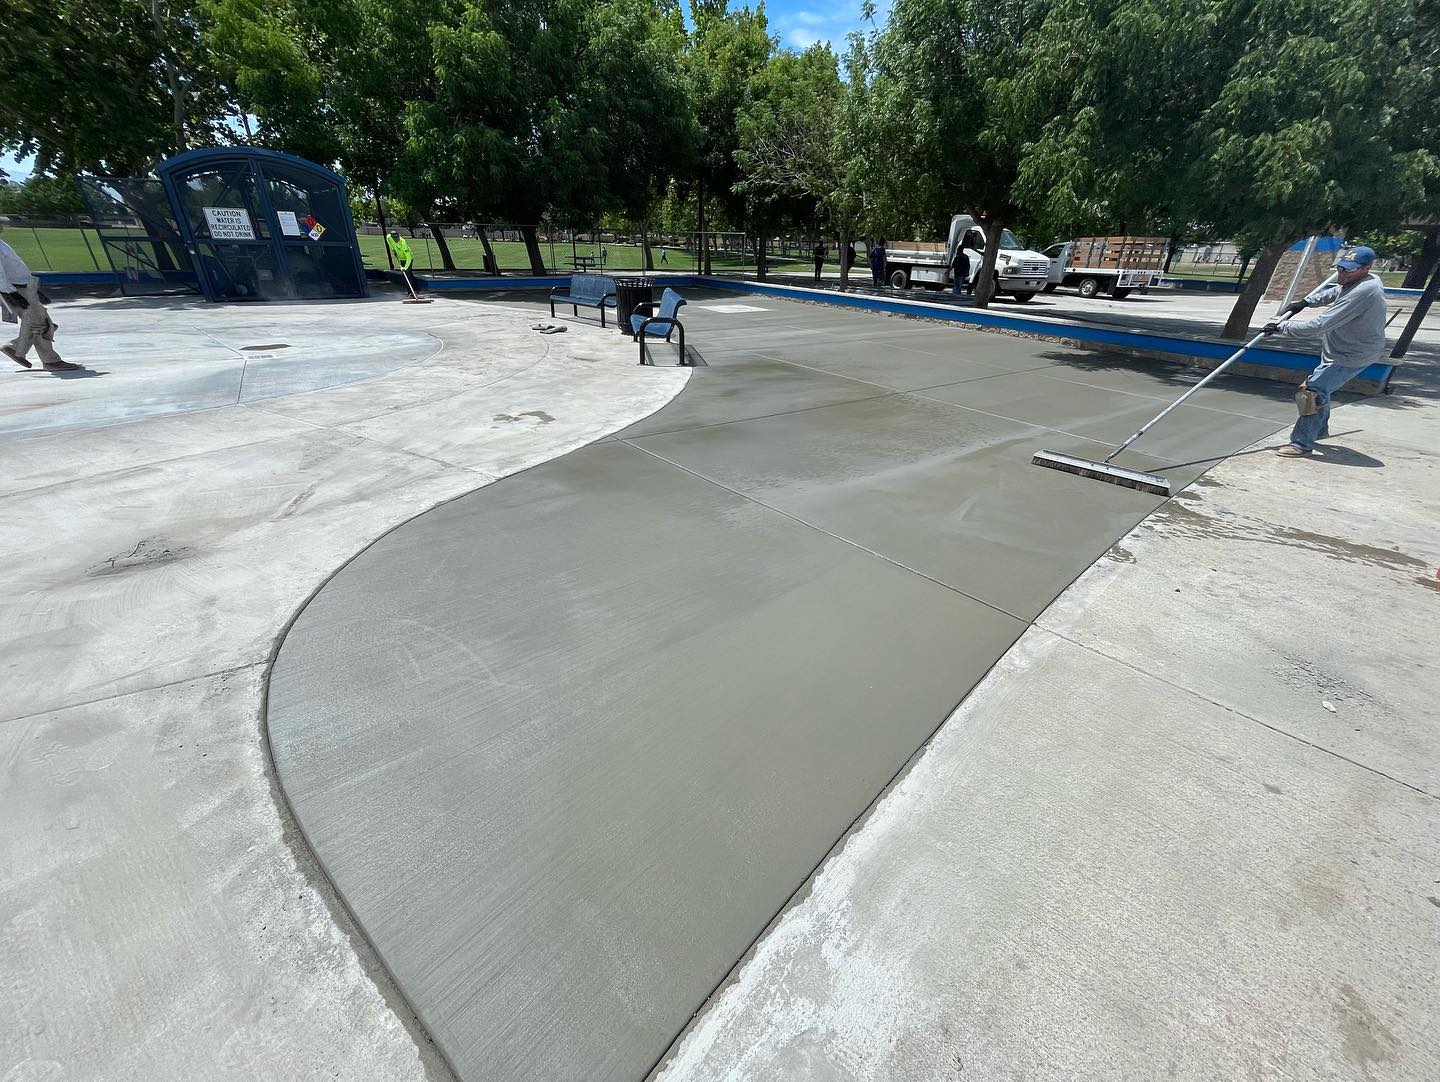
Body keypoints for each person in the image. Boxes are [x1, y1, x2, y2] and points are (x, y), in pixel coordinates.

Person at [1263, 245, 1387, 457]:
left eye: (1348, 270)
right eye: (1340, 268)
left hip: (1352, 355)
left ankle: (1302, 443)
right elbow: (1336, 291)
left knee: (1312, 392)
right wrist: (1305, 302)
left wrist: (1281, 327)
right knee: (1321, 391)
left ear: (1365, 268)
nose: (1342, 274)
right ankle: (1319, 430)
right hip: (1340, 350)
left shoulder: (1365, 291)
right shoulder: (1361, 280)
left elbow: (1319, 325)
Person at [1, 219, 78, 371]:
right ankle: (50, 361)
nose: (2, 226)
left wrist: (33, 290)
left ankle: (15, 348)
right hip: (15, 290)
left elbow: (15, 270)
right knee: (40, 324)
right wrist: (12, 295)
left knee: (44, 324)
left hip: (22, 287)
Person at [385, 229, 419, 295]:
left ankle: (410, 293)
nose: (397, 239)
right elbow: (388, 241)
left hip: (408, 259)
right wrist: (393, 249)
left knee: (407, 275)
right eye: (395, 238)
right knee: (409, 274)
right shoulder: (389, 237)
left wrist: (405, 267)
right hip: (401, 259)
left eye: (398, 237)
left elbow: (408, 257)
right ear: (392, 237)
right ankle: (416, 288)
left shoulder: (403, 243)